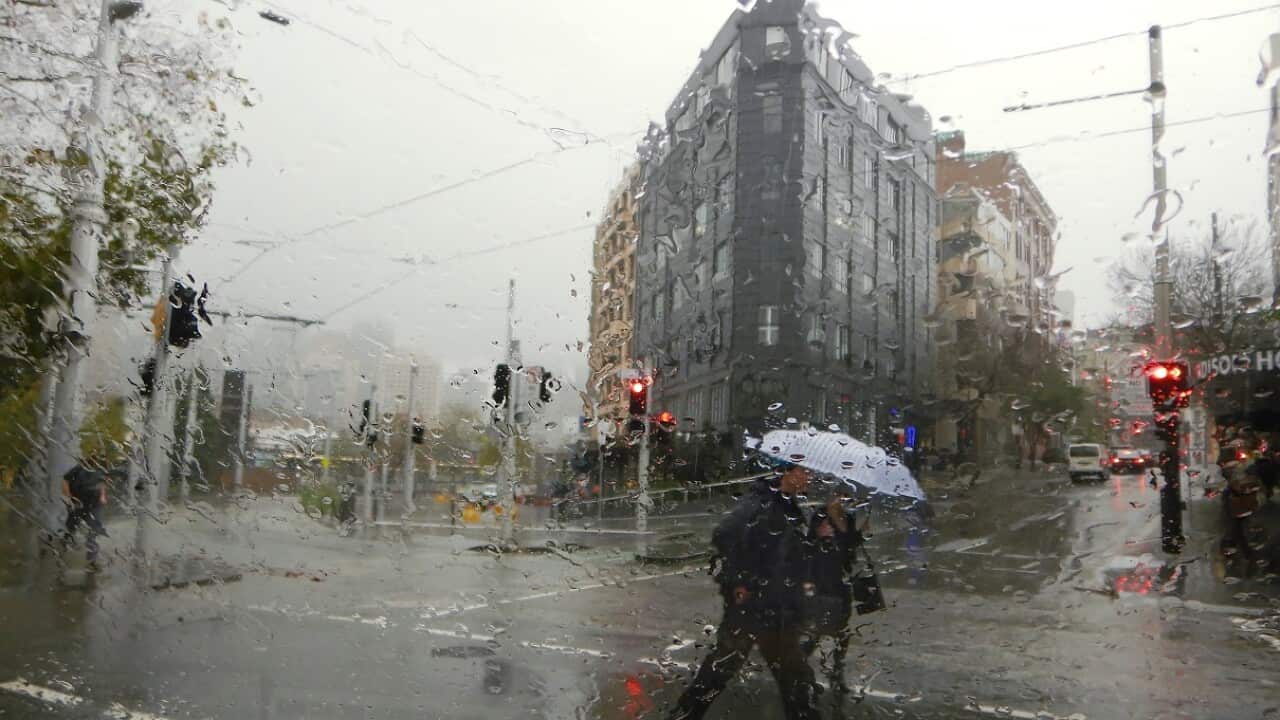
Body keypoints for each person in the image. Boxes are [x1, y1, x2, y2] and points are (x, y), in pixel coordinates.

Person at [667, 463, 818, 720]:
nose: (808, 477)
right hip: (754, 605)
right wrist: (742, 582)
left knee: (793, 673)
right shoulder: (760, 502)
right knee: (726, 666)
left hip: (777, 605)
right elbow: (724, 534)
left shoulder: (786, 505)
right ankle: (684, 714)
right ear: (787, 473)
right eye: (803, 471)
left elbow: (786, 553)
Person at [802, 492, 866, 714]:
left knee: (842, 629)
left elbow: (850, 548)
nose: (840, 500)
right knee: (817, 628)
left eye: (843, 497)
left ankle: (837, 672)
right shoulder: (819, 516)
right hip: (821, 579)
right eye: (837, 496)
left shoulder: (848, 517)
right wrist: (819, 535)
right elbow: (808, 547)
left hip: (841, 580)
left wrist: (860, 532)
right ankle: (800, 669)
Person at [61, 460, 110, 569]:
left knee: (93, 530)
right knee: (71, 527)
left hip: (95, 505)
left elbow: (103, 482)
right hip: (79, 503)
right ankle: (64, 544)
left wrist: (102, 496)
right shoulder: (78, 469)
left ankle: (92, 561)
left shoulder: (101, 469)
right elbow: (65, 481)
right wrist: (69, 497)